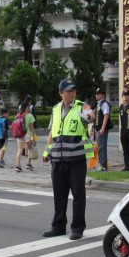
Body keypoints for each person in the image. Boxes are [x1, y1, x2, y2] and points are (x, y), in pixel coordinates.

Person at [42, 79, 94, 240]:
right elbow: (52, 133)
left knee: (78, 195)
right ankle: (58, 226)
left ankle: (77, 228)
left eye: (74, 90)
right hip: (57, 159)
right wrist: (46, 152)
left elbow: (90, 116)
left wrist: (90, 116)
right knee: (59, 194)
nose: (72, 93)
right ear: (61, 93)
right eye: (68, 90)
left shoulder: (81, 106)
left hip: (76, 159)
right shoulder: (55, 109)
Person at [15, 102, 35, 172]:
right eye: (28, 107)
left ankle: (18, 165)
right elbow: (32, 127)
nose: (29, 108)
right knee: (29, 149)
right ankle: (28, 164)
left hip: (19, 134)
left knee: (20, 150)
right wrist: (33, 135)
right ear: (26, 108)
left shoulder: (18, 115)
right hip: (27, 134)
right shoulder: (30, 115)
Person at [93, 87, 111, 171]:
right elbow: (96, 117)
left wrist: (103, 128)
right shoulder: (99, 104)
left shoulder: (104, 104)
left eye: (98, 94)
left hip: (101, 129)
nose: (96, 95)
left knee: (102, 147)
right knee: (99, 147)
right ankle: (101, 164)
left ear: (103, 94)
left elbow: (106, 115)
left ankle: (103, 166)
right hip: (98, 129)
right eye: (96, 94)